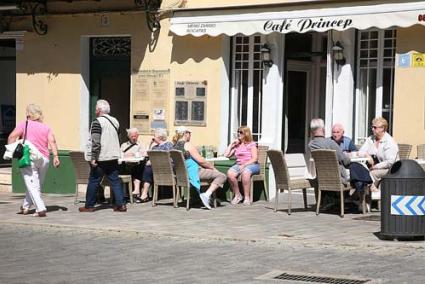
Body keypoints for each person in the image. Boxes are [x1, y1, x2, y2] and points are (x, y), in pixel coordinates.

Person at [8, 104, 60, 217]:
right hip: (44, 159)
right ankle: (25, 207)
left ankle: (41, 208)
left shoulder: (24, 124)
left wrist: (11, 149)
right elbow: (52, 141)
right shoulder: (46, 127)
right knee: (35, 184)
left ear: (28, 114)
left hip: (29, 157)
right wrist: (56, 156)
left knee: (32, 184)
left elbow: (12, 136)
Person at [79, 99, 127, 212]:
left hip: (101, 157)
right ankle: (121, 205)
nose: (95, 110)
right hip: (113, 156)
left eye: (96, 108)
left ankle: (89, 205)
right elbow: (119, 137)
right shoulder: (115, 121)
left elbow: (96, 141)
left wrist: (93, 158)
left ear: (99, 110)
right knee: (115, 181)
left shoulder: (97, 122)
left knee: (94, 180)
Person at [172, 126, 226, 210]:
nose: (190, 136)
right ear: (186, 134)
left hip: (182, 174)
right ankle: (206, 195)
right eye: (190, 134)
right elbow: (201, 161)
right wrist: (212, 168)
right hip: (193, 172)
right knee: (222, 176)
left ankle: (205, 198)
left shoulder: (174, 146)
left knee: (209, 174)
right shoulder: (187, 145)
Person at [308, 118, 351, 210]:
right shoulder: (331, 143)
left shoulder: (311, 144)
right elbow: (345, 161)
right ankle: (354, 201)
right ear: (323, 129)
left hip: (322, 176)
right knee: (358, 172)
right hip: (338, 177)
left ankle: (331, 201)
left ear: (312, 131)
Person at [358, 117, 399, 196]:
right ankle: (366, 197)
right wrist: (367, 155)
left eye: (375, 127)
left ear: (382, 128)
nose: (372, 129)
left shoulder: (389, 142)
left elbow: (390, 162)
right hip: (377, 167)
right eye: (372, 127)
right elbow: (360, 152)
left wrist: (375, 166)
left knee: (372, 173)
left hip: (391, 169)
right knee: (360, 171)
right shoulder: (371, 139)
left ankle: (372, 195)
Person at [224, 126, 260, 205]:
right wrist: (231, 144)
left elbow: (254, 158)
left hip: (252, 165)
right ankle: (238, 195)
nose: (238, 134)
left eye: (240, 132)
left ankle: (247, 197)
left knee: (246, 172)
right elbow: (226, 155)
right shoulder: (237, 145)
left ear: (246, 134)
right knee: (230, 173)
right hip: (239, 165)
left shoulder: (251, 144)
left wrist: (244, 165)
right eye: (238, 132)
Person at [139, 128, 173, 203]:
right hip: (154, 169)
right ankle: (144, 193)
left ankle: (144, 193)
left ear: (160, 137)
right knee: (145, 168)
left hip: (165, 169)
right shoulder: (155, 147)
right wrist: (151, 144)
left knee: (148, 168)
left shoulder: (168, 145)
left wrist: (153, 162)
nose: (153, 138)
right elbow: (148, 154)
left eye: (154, 136)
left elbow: (168, 159)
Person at [120, 128, 147, 199]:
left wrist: (134, 154)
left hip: (136, 164)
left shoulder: (140, 145)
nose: (134, 138)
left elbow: (143, 154)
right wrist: (125, 155)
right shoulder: (124, 145)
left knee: (139, 166)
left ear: (138, 136)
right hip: (126, 166)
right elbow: (120, 154)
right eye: (132, 136)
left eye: (135, 136)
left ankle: (136, 190)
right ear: (129, 136)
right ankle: (136, 190)